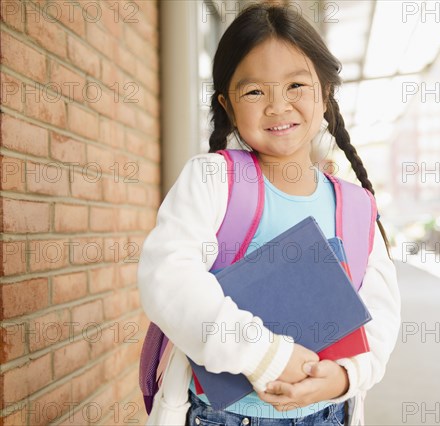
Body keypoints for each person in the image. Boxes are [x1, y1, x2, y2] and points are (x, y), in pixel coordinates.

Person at [137, 4, 401, 426]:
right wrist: (267, 357)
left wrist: (343, 377)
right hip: (223, 417)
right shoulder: (213, 180)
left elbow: (380, 318)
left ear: (325, 93)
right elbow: (168, 279)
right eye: (255, 91)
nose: (278, 106)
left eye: (296, 85)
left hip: (328, 414)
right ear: (227, 104)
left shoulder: (354, 207)